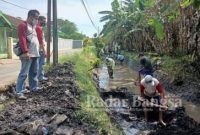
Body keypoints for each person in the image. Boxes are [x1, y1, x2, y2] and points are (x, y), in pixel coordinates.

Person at [16, 10, 41, 99]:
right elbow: (22, 38)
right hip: (28, 53)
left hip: (35, 53)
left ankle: (33, 87)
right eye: (36, 18)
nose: (37, 20)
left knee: (34, 72)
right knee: (24, 73)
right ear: (30, 17)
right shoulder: (23, 25)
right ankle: (19, 91)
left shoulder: (34, 26)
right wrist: (26, 52)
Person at [36, 16, 48, 81]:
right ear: (39, 20)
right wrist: (44, 51)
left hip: (39, 49)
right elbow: (40, 41)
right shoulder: (38, 28)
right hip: (40, 49)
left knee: (40, 64)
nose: (45, 22)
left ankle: (39, 77)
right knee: (41, 64)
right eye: (44, 21)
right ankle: (39, 77)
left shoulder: (38, 27)